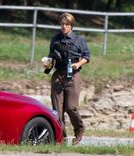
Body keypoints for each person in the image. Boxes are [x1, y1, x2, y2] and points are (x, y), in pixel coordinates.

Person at [43, 12, 90, 145]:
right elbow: (50, 58)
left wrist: (78, 64)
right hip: (58, 75)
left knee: (71, 107)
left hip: (73, 76)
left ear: (71, 26)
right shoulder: (55, 39)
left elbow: (87, 56)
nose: (64, 27)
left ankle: (79, 130)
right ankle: (61, 137)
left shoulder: (79, 40)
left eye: (67, 24)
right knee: (57, 109)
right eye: (62, 24)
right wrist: (48, 63)